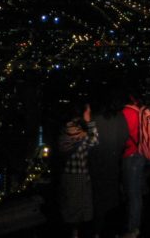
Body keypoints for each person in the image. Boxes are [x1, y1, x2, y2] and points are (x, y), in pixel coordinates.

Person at [87, 82, 129, 238]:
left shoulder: (95, 120)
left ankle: (98, 232)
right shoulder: (120, 117)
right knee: (113, 200)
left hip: (97, 167)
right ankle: (113, 231)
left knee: (98, 203)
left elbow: (91, 144)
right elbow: (125, 138)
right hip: (113, 164)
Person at [56, 100, 99, 238]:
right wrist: (89, 121)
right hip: (78, 175)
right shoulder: (77, 130)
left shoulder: (65, 129)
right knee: (80, 211)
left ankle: (74, 234)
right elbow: (94, 141)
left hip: (70, 174)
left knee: (72, 210)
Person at [120, 91, 147, 238]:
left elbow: (123, 137)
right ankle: (135, 226)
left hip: (130, 155)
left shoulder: (126, 113)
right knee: (136, 193)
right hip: (141, 154)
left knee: (132, 194)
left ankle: (132, 229)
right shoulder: (141, 111)